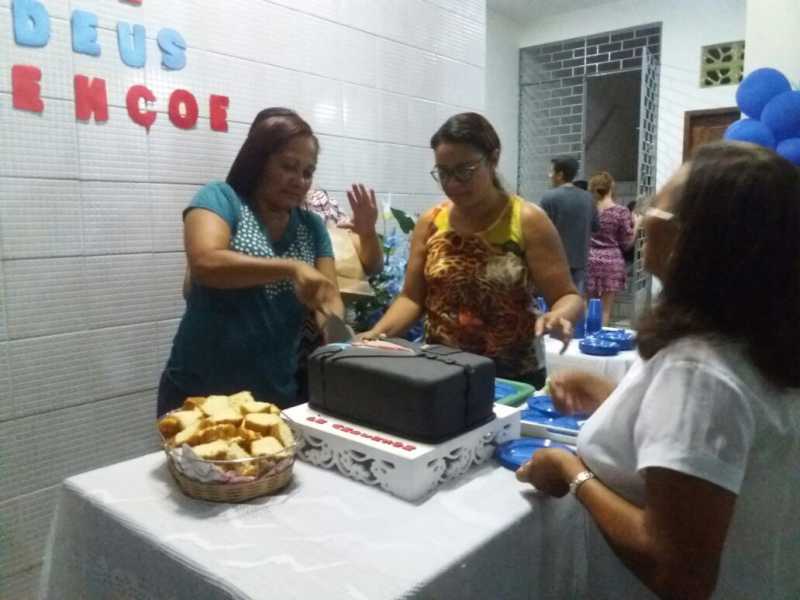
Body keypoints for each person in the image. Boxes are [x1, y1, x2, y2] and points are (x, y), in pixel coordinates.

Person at [516, 142, 800, 599]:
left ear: (698, 239)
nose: (643, 220)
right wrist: (616, 399)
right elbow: (715, 444)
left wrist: (570, 471)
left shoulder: (699, 372)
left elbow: (679, 573)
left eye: (656, 208)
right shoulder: (759, 339)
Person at [360, 112, 584, 389]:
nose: (453, 184)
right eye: (443, 173)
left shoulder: (526, 220)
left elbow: (567, 296)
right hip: (442, 373)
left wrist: (559, 315)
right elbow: (412, 299)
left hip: (511, 377)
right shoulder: (431, 222)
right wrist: (374, 336)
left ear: (493, 159)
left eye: (465, 171)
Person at [158, 108, 346, 416]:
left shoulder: (311, 227)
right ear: (258, 161)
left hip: (274, 396)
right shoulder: (221, 199)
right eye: (288, 166)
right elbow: (206, 263)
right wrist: (291, 268)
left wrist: (335, 333)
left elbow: (329, 295)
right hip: (200, 394)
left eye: (308, 172)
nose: (299, 180)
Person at [540, 156, 599, 294]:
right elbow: (596, 227)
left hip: (554, 262)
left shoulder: (549, 197)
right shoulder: (588, 198)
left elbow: (539, 231)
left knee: (554, 302)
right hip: (580, 262)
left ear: (560, 175)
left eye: (551, 171)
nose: (549, 175)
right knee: (575, 300)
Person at [586, 171, 635, 325]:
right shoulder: (621, 211)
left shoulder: (588, 210)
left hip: (589, 260)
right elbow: (626, 243)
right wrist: (638, 224)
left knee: (589, 307)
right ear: (611, 188)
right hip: (611, 263)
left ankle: (586, 336)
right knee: (605, 310)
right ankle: (600, 337)